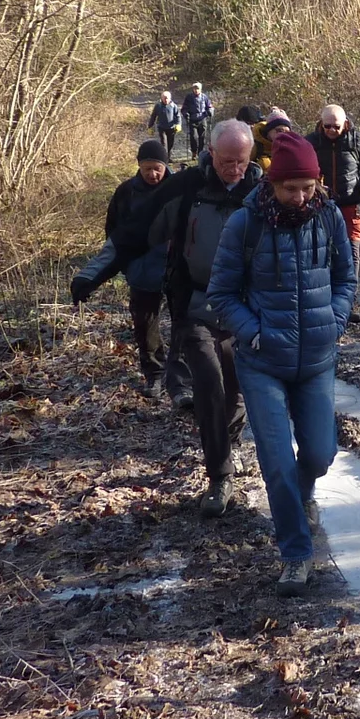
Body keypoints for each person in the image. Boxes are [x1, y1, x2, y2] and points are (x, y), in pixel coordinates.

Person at [209, 131, 355, 597]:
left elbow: (346, 278)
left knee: (319, 455)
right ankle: (296, 555)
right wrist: (253, 333)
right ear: (272, 184)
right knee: (276, 462)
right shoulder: (244, 224)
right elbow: (221, 295)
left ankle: (304, 491)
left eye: (308, 187)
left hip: (316, 358)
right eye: (291, 188)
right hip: (262, 362)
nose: (300, 197)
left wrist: (334, 321)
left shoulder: (329, 217)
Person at [112, 119, 263, 515]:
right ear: (211, 153)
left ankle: (228, 442)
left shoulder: (261, 193)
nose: (234, 169)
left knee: (236, 384)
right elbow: (134, 230)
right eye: (227, 161)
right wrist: (95, 272)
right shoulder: (187, 188)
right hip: (194, 302)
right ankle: (220, 476)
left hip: (245, 307)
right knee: (210, 383)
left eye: (241, 162)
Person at [71, 140, 191, 403]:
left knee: (184, 324)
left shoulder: (181, 188)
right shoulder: (125, 192)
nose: (153, 174)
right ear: (138, 166)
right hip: (142, 271)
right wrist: (120, 267)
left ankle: (181, 380)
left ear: (166, 166)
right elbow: (114, 233)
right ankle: (155, 374)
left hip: (177, 270)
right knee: (145, 324)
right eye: (147, 168)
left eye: (157, 168)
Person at [305, 104, 360, 313]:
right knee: (321, 251)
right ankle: (324, 298)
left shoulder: (357, 139)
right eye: (327, 126)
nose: (331, 130)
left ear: (345, 124)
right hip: (321, 204)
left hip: (350, 202)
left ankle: (348, 301)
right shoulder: (311, 142)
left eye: (336, 127)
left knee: (352, 250)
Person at [181, 82, 213, 160]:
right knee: (194, 137)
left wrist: (210, 111)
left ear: (200, 89)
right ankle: (194, 153)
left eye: (197, 88)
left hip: (202, 119)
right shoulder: (189, 97)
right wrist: (186, 114)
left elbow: (209, 106)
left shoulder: (204, 97)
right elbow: (184, 108)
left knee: (202, 137)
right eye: (194, 88)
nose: (196, 90)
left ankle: (200, 153)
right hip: (192, 120)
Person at [148, 91, 180, 159]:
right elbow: (153, 116)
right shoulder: (158, 106)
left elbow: (177, 115)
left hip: (171, 127)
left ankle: (168, 157)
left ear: (170, 98)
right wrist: (150, 126)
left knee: (170, 143)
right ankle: (164, 158)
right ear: (161, 98)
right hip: (162, 127)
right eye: (164, 98)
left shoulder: (173, 106)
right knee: (164, 143)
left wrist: (178, 124)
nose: (166, 100)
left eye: (167, 98)